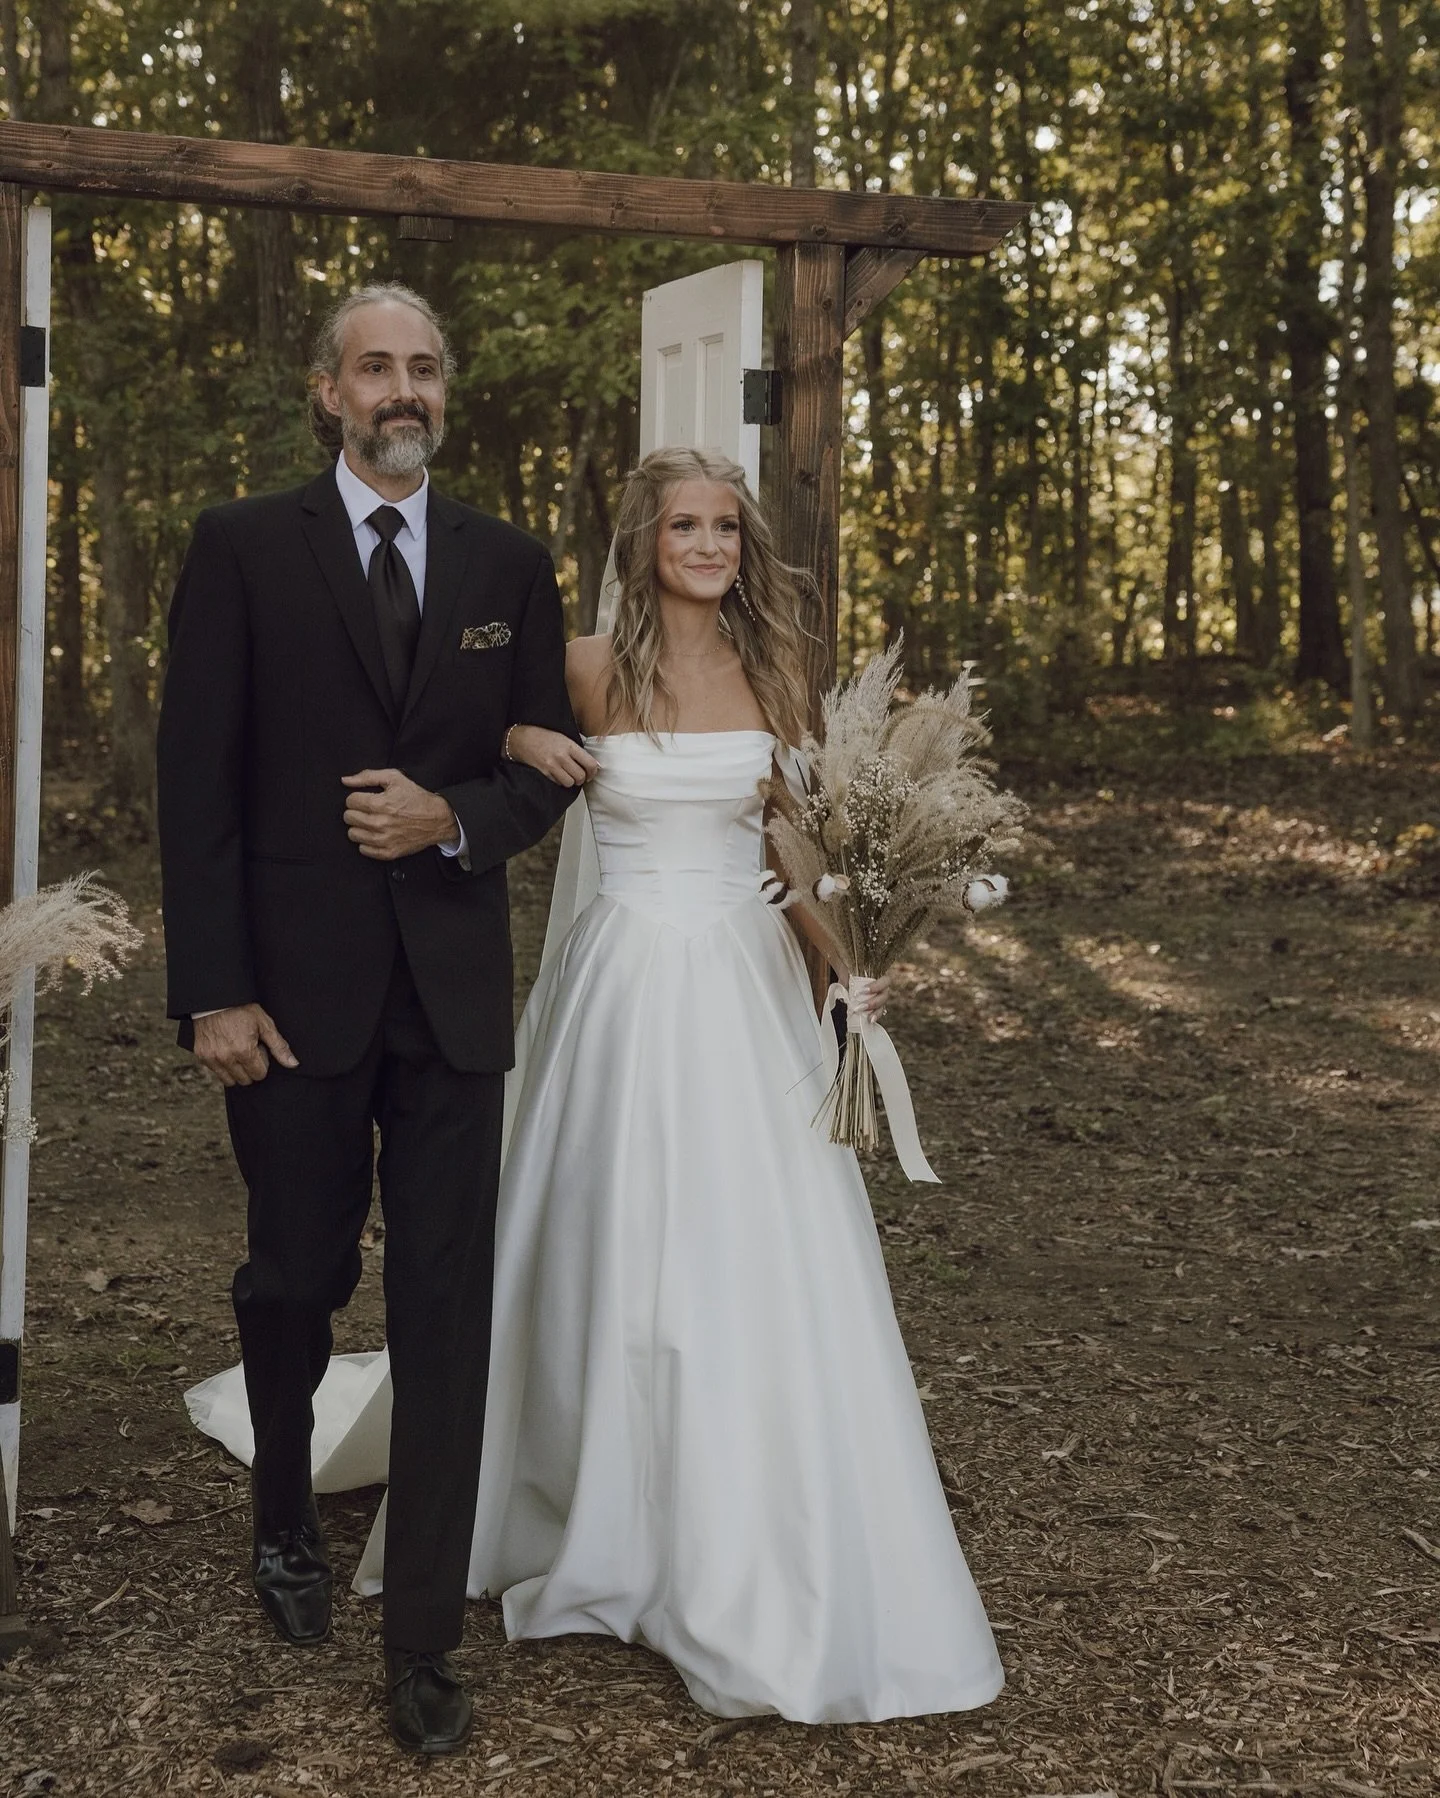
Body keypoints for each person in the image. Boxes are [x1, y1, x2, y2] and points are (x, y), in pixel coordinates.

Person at [354, 443, 1006, 1720]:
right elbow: (472, 739)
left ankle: (737, 1513)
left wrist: (845, 973)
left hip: (740, 989)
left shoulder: (781, 673)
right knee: (605, 1236)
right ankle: (581, 1490)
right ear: (643, 541)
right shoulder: (589, 667)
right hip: (620, 985)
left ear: (741, 545)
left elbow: (796, 851)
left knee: (747, 1252)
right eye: (681, 525)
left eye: (722, 526)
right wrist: (519, 730)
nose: (705, 544)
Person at [157, 282, 578, 1755]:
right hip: (290, 995)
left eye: (425, 369)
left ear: (445, 393)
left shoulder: (510, 564)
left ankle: (423, 1630)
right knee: (294, 1272)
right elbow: (193, 784)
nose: (405, 390)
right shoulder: (240, 548)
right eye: (376, 368)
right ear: (327, 393)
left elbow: (544, 766)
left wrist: (451, 818)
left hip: (453, 995)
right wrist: (211, 986)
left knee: (449, 1305)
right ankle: (282, 1509)